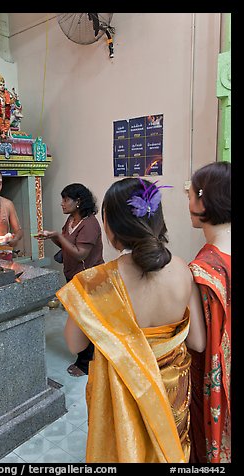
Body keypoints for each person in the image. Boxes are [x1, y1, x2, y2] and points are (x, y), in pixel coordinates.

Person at [56, 177, 206, 463]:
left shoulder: (95, 282)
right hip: (170, 393)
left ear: (111, 229)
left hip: (121, 395)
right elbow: (197, 342)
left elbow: (75, 345)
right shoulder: (184, 270)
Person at [187, 161, 231, 463]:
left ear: (204, 201)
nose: (187, 199)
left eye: (190, 193)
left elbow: (199, 344)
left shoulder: (202, 270)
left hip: (215, 381)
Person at [36, 183, 104, 377]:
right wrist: (51, 237)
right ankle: (85, 358)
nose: (62, 203)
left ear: (78, 201)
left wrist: (58, 235)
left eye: (66, 199)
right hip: (73, 276)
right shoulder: (71, 220)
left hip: (88, 278)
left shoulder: (90, 224)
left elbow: (81, 254)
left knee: (86, 321)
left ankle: (86, 363)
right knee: (78, 319)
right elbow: (67, 244)